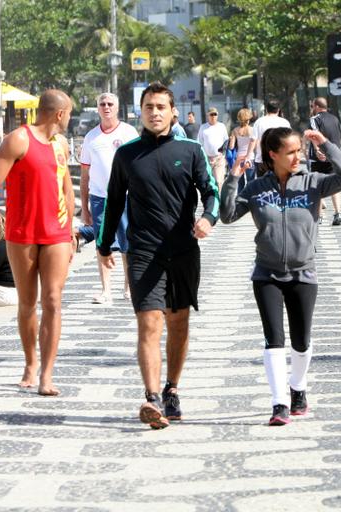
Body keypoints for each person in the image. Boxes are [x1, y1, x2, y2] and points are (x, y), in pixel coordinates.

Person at [97, 82, 219, 429]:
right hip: (143, 252)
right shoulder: (127, 155)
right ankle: (151, 399)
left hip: (182, 250)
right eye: (149, 107)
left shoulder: (191, 149)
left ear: (172, 111)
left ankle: (172, 389)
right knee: (149, 323)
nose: (155, 113)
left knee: (178, 323)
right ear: (141, 111)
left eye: (161, 107)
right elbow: (114, 201)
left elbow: (211, 191)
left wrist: (208, 219)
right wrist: (104, 245)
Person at [220, 127, 341, 426]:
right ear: (273, 154)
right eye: (291, 152)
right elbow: (227, 216)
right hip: (266, 273)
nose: (298, 156)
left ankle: (298, 387)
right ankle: (279, 403)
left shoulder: (312, 183)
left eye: (300, 150)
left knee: (302, 341)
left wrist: (327, 146)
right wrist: (232, 178)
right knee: (274, 340)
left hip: (304, 272)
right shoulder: (256, 188)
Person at [0, 89, 75, 396]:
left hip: (56, 233)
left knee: (53, 301)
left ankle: (47, 374)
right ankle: (30, 362)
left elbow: (66, 188)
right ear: (59, 114)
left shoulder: (61, 145)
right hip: (22, 234)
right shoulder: (18, 140)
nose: (69, 118)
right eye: (69, 112)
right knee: (28, 303)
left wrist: (71, 230)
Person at [75, 92, 138, 304]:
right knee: (103, 243)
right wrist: (84, 207)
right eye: (102, 104)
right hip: (100, 197)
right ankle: (106, 290)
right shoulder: (91, 137)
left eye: (110, 103)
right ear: (98, 108)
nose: (106, 107)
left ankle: (129, 288)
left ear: (117, 107)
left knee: (128, 243)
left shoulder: (129, 132)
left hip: (127, 196)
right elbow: (85, 175)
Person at [308, 97, 341, 225]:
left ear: (317, 106)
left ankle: (320, 216)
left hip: (319, 158)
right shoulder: (335, 119)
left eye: (313, 106)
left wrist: (317, 150)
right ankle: (337, 213)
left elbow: (314, 135)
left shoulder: (314, 119)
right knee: (334, 185)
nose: (312, 108)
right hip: (334, 156)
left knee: (317, 186)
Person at [245, 99, 291, 177]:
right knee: (280, 183)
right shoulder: (285, 122)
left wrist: (248, 156)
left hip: (262, 159)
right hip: (281, 158)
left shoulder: (259, 122)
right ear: (278, 110)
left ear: (266, 109)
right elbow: (289, 140)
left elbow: (253, 140)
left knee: (263, 185)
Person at [197, 107, 229, 188]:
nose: (213, 116)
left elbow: (226, 140)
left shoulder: (222, 126)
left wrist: (223, 153)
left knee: (219, 181)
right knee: (208, 181)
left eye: (215, 114)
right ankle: (211, 198)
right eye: (211, 114)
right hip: (207, 159)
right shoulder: (203, 127)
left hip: (219, 158)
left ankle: (218, 199)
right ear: (208, 115)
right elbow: (199, 143)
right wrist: (202, 156)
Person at [229, 107, 254, 192]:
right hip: (250, 158)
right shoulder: (252, 130)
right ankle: (250, 201)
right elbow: (256, 145)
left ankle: (240, 201)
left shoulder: (235, 130)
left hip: (239, 158)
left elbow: (231, 147)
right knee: (251, 182)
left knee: (240, 183)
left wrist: (231, 139)